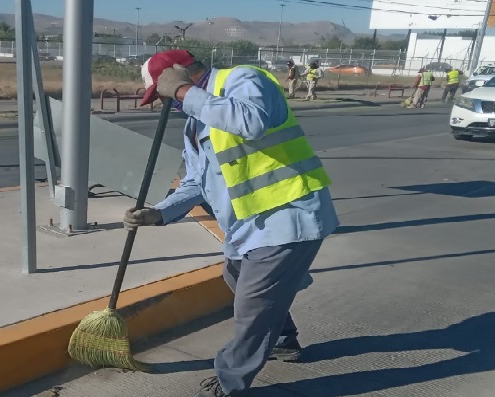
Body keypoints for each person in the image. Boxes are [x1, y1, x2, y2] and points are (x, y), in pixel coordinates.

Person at [127, 49, 339, 397]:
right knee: (236, 276)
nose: (167, 102)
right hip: (249, 224)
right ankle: (283, 341)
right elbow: (196, 181)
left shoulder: (242, 80)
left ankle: (230, 382)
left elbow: (252, 122)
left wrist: (183, 93)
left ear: (180, 75)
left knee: (253, 307)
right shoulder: (196, 121)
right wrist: (160, 212)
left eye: (164, 93)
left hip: (289, 213)